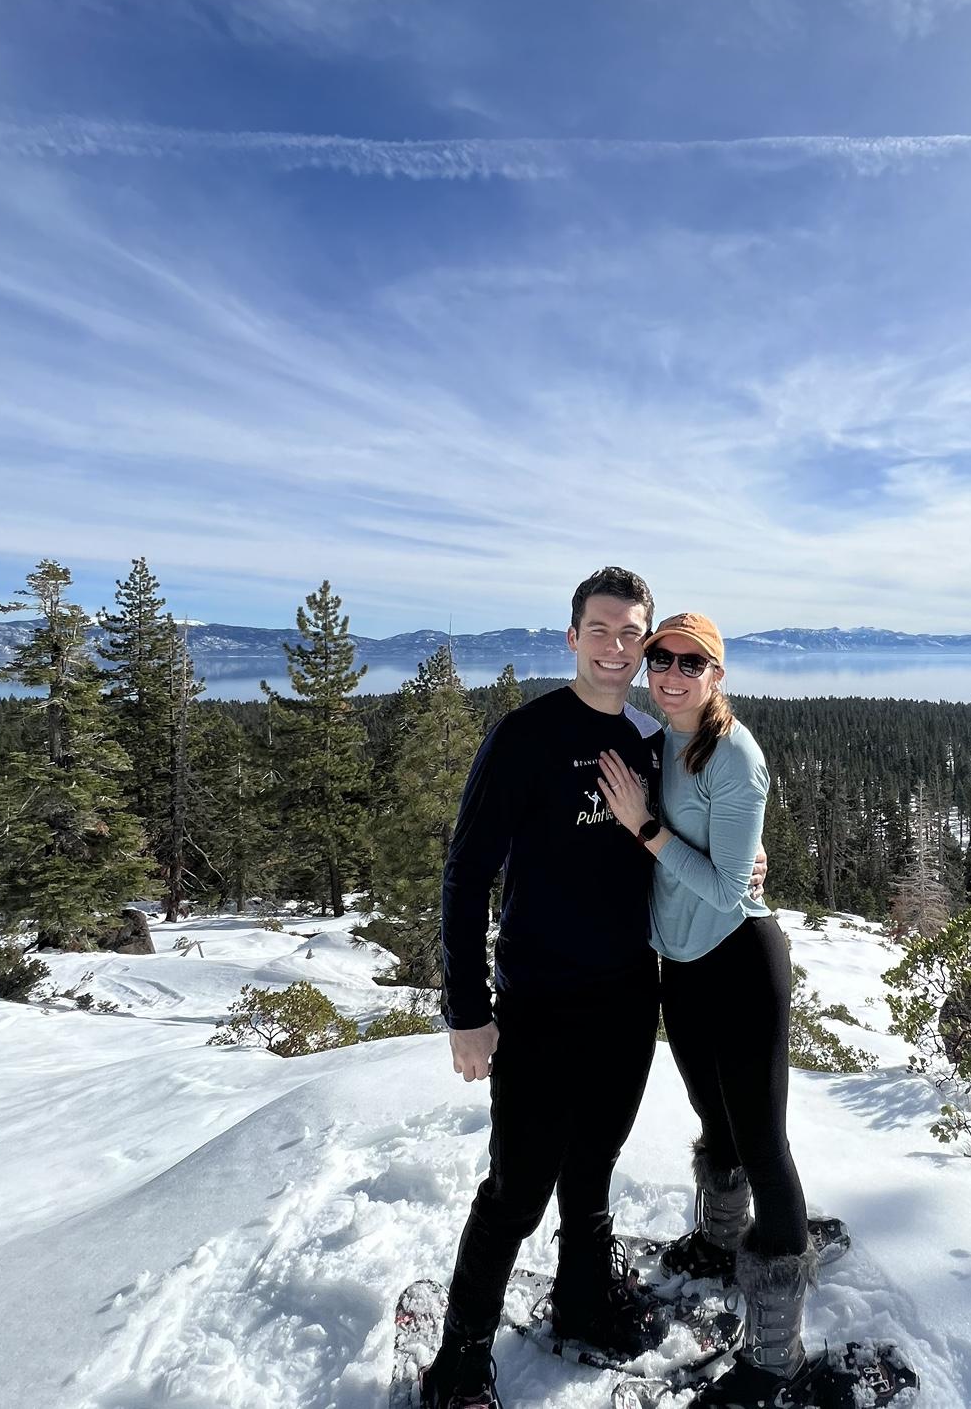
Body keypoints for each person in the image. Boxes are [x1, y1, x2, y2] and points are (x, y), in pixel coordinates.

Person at [421, 567, 672, 1409]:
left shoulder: (645, 737)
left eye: (630, 632)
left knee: (595, 1166)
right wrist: (467, 1013)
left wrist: (744, 857)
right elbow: (465, 875)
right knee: (517, 1191)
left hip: (630, 995)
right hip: (541, 1002)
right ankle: (458, 1365)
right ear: (572, 637)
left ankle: (582, 1299)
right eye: (599, 629)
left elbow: (672, 840)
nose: (615, 646)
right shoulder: (525, 736)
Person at [597, 612, 818, 1409]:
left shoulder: (735, 756)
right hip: (682, 964)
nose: (673, 673)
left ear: (717, 675)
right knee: (712, 1119)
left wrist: (646, 829)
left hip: (741, 963)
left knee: (762, 1142)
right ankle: (722, 1240)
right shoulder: (660, 744)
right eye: (662, 658)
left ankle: (776, 1348)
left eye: (693, 663)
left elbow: (729, 888)